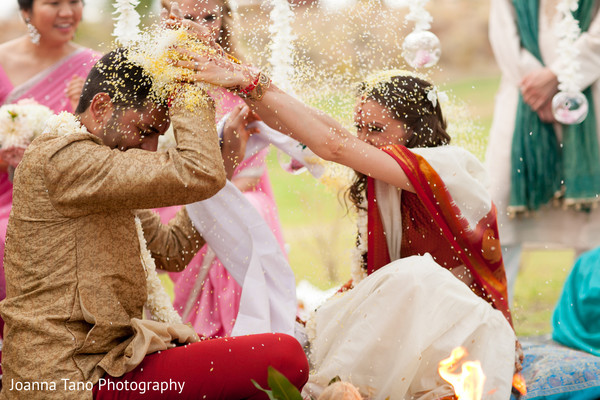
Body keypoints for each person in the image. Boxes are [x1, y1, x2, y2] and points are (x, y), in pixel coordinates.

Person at [177, 20, 518, 397]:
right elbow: (324, 130)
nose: (363, 140)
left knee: (415, 275)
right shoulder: (387, 168)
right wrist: (247, 91)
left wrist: (249, 80)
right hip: (409, 324)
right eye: (360, 127)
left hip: (462, 328)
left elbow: (334, 145)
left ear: (415, 129)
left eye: (375, 129)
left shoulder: (449, 166)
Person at [0, 48, 308, 399]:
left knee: (268, 357)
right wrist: (185, 88)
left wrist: (223, 163)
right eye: (144, 130)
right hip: (70, 380)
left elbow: (171, 249)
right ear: (101, 108)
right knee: (284, 357)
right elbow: (195, 172)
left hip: (110, 363)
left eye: (157, 135)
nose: (149, 149)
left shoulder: (100, 166)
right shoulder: (65, 158)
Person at [158, 0, 288, 338]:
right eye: (190, 18)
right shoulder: (157, 74)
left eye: (210, 17)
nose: (202, 28)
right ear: (169, 17)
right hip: (173, 192)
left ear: (223, 18)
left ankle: (247, 330)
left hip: (238, 190)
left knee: (244, 212)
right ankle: (197, 324)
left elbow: (252, 166)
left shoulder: (238, 73)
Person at [486, 0, 600, 302]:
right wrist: (537, 86)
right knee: (500, 208)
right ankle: (495, 322)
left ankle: (587, 323)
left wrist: (559, 78)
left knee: (593, 220)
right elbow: (503, 33)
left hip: (592, 93)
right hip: (522, 94)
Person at [0, 0, 100, 335]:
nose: (67, 11)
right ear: (26, 10)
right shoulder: (2, 60)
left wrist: (82, 115)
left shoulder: (92, 67)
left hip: (66, 200)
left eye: (74, 2)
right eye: (54, 2)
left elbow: (109, 153)